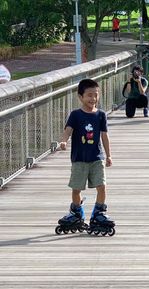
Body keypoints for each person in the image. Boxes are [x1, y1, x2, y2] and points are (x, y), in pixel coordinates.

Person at [58, 78, 114, 231]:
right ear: (80, 97)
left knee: (102, 186)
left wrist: (108, 155)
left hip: (97, 157)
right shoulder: (75, 115)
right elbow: (68, 130)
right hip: (79, 159)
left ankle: (99, 212)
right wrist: (63, 141)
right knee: (76, 189)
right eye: (89, 95)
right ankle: (76, 212)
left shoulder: (101, 115)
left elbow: (104, 136)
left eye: (96, 95)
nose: (93, 99)